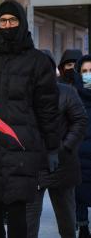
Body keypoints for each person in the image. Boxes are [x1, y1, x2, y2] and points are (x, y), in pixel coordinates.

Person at [0, 0, 60, 238]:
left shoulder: (37, 61)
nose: (7, 25)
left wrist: (52, 148)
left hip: (22, 149)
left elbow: (47, 109)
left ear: (22, 23)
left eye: (12, 20)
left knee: (18, 216)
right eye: (3, 21)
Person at [26, 49, 87, 238]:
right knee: (28, 222)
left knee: (67, 220)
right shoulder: (23, 95)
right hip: (32, 166)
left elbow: (80, 121)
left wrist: (64, 147)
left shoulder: (67, 92)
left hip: (62, 164)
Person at [73, 55, 91, 238]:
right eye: (84, 72)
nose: (88, 75)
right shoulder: (73, 95)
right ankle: (83, 226)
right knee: (80, 197)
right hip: (79, 156)